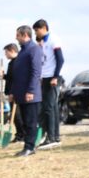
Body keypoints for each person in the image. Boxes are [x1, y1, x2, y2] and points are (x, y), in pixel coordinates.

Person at [9, 26, 43, 156]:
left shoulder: (34, 49)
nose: (16, 38)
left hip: (30, 95)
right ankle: (27, 146)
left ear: (25, 35)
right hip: (20, 93)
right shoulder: (23, 51)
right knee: (25, 121)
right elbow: (17, 74)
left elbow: (36, 72)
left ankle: (30, 147)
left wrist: (31, 91)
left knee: (30, 122)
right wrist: (12, 92)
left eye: (18, 35)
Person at [33, 19, 64, 149]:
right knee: (50, 107)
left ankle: (51, 137)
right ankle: (54, 136)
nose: (36, 33)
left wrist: (55, 76)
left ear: (44, 28)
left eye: (37, 30)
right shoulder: (43, 42)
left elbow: (60, 59)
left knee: (49, 108)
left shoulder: (53, 39)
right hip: (45, 78)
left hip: (52, 77)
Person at [3, 43, 25, 141]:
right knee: (15, 115)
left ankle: (22, 134)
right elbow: (11, 77)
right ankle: (19, 134)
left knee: (17, 115)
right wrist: (4, 76)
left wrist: (13, 92)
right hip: (12, 92)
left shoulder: (18, 61)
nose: (5, 55)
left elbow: (17, 79)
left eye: (6, 52)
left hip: (16, 92)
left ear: (12, 51)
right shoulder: (12, 62)